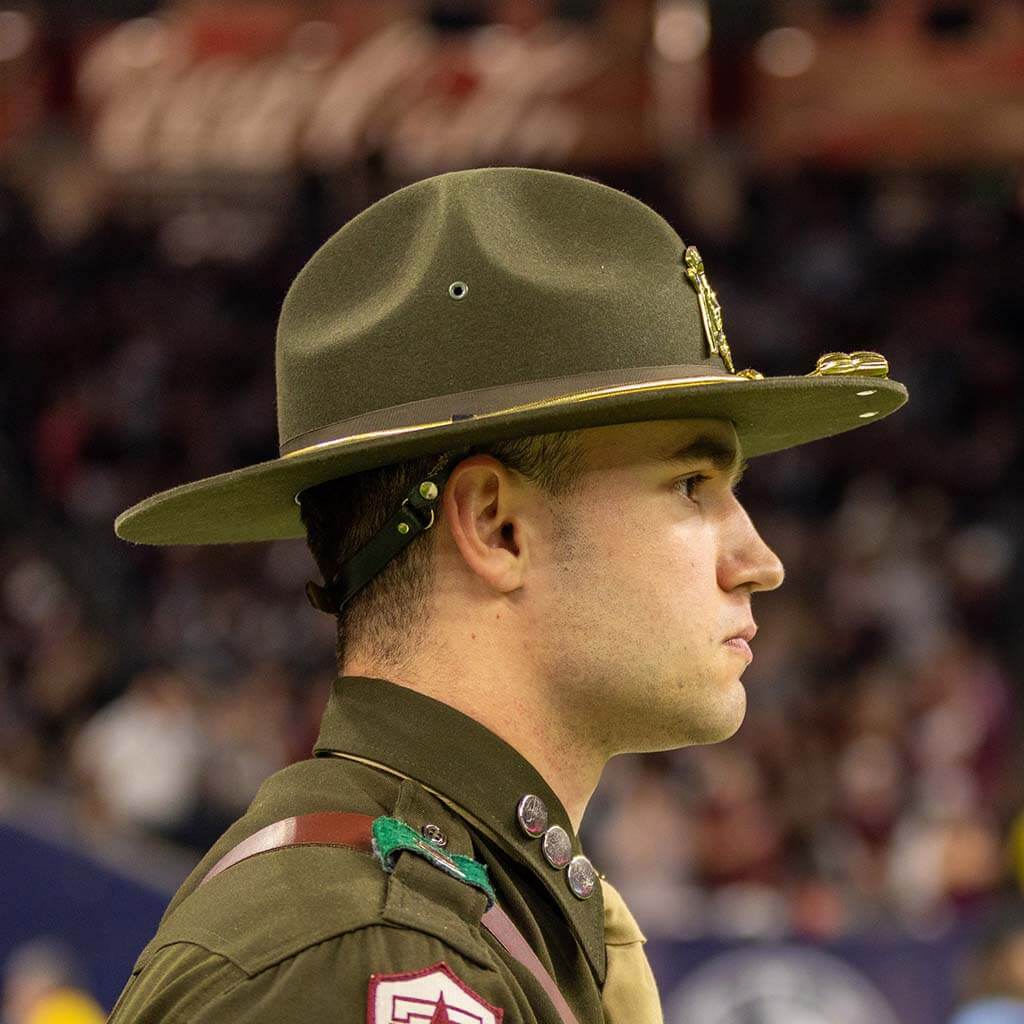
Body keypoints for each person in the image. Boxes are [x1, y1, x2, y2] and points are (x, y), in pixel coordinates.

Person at [107, 167, 907, 1023]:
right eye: (690, 485)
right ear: (496, 528)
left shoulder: (430, 911)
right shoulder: (371, 955)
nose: (760, 559)